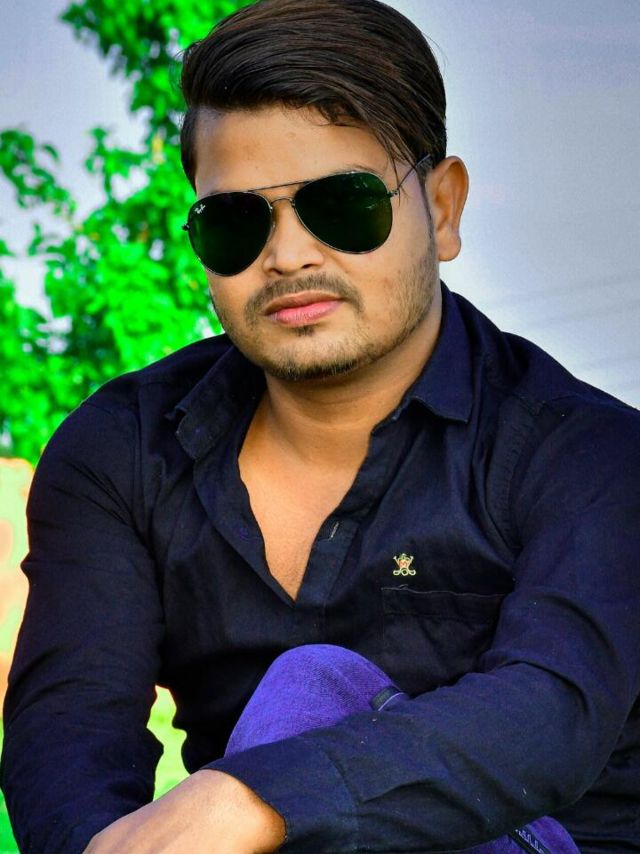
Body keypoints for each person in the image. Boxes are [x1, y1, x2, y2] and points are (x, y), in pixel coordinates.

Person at [1, 0, 639, 851]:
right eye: (236, 221)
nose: (288, 255)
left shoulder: (589, 456)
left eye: (342, 205)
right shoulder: (118, 453)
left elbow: (551, 713)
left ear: (443, 208)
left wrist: (248, 799)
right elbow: (67, 734)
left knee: (310, 691)